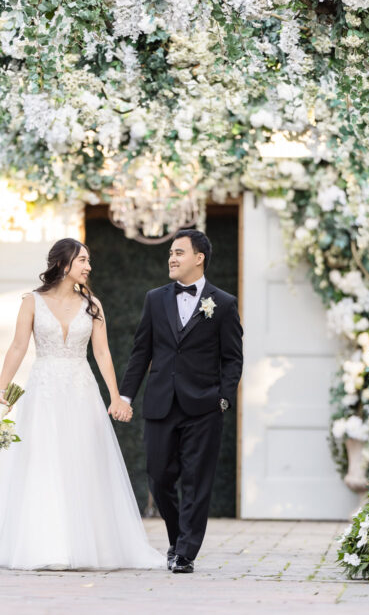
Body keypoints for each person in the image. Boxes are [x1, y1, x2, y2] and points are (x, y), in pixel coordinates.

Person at [0, 238, 164, 570]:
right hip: (44, 390)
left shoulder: (93, 304)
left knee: (82, 460)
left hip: (81, 390)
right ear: (63, 264)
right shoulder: (32, 302)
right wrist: (0, 387)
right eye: (83, 260)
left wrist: (115, 396)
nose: (89, 267)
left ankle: (87, 544)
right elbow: (18, 347)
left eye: (89, 261)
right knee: (43, 460)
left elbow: (102, 352)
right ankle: (45, 545)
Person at [119, 229, 244, 574]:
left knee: (196, 480)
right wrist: (126, 395)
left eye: (179, 252)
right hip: (161, 403)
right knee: (159, 476)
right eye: (170, 253)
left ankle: (186, 552)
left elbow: (233, 358)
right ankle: (177, 537)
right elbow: (140, 351)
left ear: (199, 257)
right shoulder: (155, 299)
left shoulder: (224, 303)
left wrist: (224, 398)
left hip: (204, 406)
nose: (172, 258)